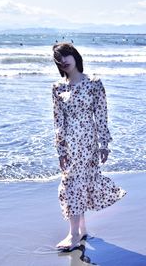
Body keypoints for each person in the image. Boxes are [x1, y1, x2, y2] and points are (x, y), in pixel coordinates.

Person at [52, 43, 126, 251]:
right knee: (73, 183)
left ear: (75, 56)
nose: (64, 61)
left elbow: (101, 114)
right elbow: (57, 120)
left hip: (87, 142)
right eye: (59, 58)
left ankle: (74, 234)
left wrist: (104, 144)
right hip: (69, 143)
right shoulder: (57, 87)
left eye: (66, 55)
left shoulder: (93, 83)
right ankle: (81, 229)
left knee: (76, 183)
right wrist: (60, 149)